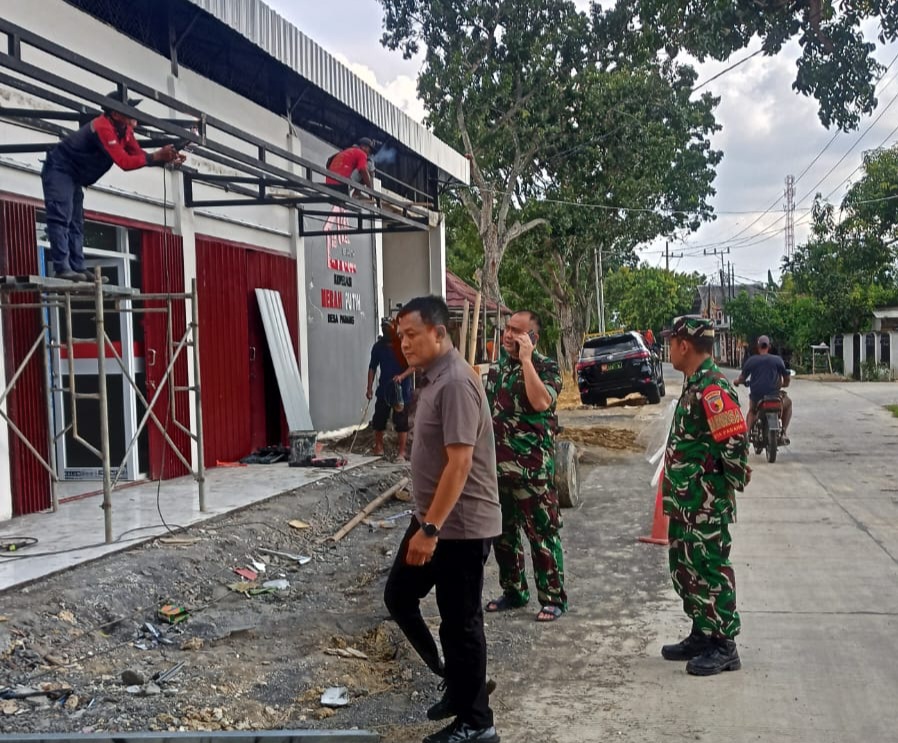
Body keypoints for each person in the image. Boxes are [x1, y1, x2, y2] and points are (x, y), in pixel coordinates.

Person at [383, 295, 501, 743]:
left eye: (411, 335)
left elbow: (460, 465)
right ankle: (456, 682)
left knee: (461, 619)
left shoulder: (454, 382)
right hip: (433, 519)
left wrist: (430, 530)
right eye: (400, 336)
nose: (404, 344)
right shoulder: (430, 379)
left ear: (438, 332)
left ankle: (477, 722)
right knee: (400, 595)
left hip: (458, 526)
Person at [661, 315, 750, 676]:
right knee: (685, 568)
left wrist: (718, 487)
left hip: (705, 503)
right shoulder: (694, 383)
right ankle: (703, 630)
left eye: (671, 341)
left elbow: (734, 442)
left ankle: (725, 645)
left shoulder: (712, 387)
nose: (668, 347)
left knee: (710, 568)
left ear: (684, 345)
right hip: (687, 501)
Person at [41, 90, 185, 281]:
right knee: (61, 216)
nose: (134, 115)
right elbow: (125, 162)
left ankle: (77, 267)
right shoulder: (103, 127)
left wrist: (165, 160)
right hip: (60, 169)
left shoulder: (125, 130)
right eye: (129, 110)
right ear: (116, 114)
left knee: (76, 222)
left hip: (75, 176)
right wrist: (156, 156)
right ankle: (63, 268)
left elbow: (138, 155)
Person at [484, 311, 567, 622]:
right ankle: (513, 591)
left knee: (542, 535)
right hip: (498, 469)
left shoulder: (546, 367)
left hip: (532, 471)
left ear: (533, 337)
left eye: (516, 331)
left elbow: (541, 402)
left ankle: (553, 598)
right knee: (503, 536)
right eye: (506, 329)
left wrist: (528, 361)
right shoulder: (497, 369)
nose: (508, 335)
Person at [367, 318, 414, 460]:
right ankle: (379, 447)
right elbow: (372, 367)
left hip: (401, 390)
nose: (385, 330)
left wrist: (402, 376)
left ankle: (401, 452)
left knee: (401, 422)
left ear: (394, 328)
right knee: (379, 419)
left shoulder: (403, 345)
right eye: (383, 328)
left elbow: (413, 366)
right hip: (384, 389)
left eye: (388, 328)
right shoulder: (378, 347)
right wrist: (369, 387)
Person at [734, 335, 793, 443]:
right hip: (774, 396)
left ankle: (747, 434)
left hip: (757, 397)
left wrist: (736, 382)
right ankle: (783, 432)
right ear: (769, 346)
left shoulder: (752, 360)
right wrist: (784, 384)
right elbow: (787, 378)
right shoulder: (777, 360)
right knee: (788, 403)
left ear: (758, 347)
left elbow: (742, 378)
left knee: (752, 410)